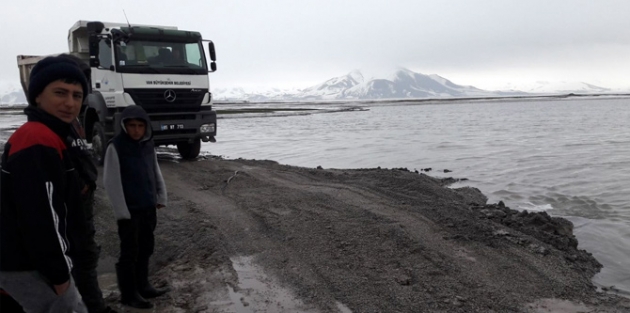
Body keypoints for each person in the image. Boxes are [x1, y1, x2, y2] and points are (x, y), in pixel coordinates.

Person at [0, 56, 89, 312]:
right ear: (38, 95)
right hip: (31, 269)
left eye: (77, 95)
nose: (70, 103)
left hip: (29, 264)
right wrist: (60, 275)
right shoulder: (38, 140)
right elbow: (42, 217)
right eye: (60, 93)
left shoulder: (47, 135)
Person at [58, 54, 117, 313]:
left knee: (86, 260)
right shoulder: (48, 129)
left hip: (82, 210)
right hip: (68, 213)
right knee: (78, 260)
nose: (75, 97)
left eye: (81, 86)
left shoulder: (73, 122)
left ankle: (94, 306)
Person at [103, 105, 170, 309]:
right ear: (124, 126)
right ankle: (129, 294)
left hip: (148, 207)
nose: (136, 130)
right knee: (129, 252)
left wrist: (161, 196)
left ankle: (143, 285)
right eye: (132, 125)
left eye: (140, 126)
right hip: (129, 212)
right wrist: (122, 212)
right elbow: (111, 181)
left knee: (146, 248)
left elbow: (155, 171)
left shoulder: (148, 145)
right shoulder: (116, 147)